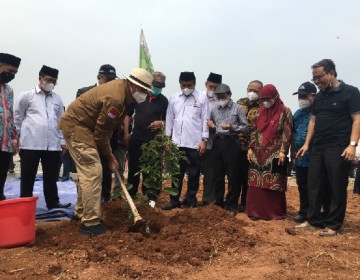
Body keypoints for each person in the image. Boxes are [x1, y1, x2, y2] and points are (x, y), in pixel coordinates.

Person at [58, 67, 153, 235]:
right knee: (93, 172)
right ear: (133, 85)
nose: (145, 94)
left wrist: (109, 155)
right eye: (144, 90)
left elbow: (107, 130)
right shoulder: (116, 99)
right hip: (77, 127)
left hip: (86, 127)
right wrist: (109, 157)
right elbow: (101, 133)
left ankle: (80, 212)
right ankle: (90, 223)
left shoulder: (124, 94)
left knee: (87, 172)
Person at [295, 59, 360, 236]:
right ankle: (314, 220)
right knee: (314, 183)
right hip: (318, 146)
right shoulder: (319, 96)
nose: (316, 82)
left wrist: (352, 145)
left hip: (338, 146)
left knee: (336, 185)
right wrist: (307, 144)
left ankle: (333, 224)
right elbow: (313, 121)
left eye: (319, 77)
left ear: (331, 73)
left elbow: (357, 119)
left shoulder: (351, 92)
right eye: (314, 79)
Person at [14, 65, 71, 210]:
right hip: (30, 144)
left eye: (54, 81)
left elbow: (60, 122)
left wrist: (63, 141)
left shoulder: (57, 98)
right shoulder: (27, 96)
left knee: (51, 176)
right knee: (28, 176)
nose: (51, 84)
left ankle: (52, 202)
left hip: (52, 145)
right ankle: (25, 202)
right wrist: (16, 139)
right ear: (40, 78)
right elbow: (17, 118)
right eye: (49, 80)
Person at [163, 71, 209, 210]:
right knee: (177, 174)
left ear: (194, 84)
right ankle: (174, 200)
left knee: (194, 174)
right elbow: (169, 119)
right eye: (183, 85)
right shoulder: (174, 98)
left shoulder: (202, 98)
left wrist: (204, 140)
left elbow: (205, 120)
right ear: (180, 84)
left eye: (189, 85)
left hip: (195, 143)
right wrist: (167, 140)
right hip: (177, 143)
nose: (186, 87)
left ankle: (191, 200)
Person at [247, 84, 293, 220]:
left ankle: (272, 212)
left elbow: (287, 132)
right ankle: (255, 211)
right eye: (263, 99)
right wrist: (250, 148)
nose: (265, 102)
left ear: (275, 97)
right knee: (256, 181)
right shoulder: (260, 111)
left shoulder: (285, 111)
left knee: (273, 181)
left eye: (268, 99)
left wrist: (284, 151)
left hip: (275, 152)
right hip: (258, 151)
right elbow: (254, 130)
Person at [76, 64, 118, 203]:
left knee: (105, 169)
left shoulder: (113, 96)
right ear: (99, 78)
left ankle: (105, 199)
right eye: (108, 80)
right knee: (88, 172)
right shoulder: (84, 92)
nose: (111, 83)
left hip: (105, 139)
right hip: (87, 139)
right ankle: (85, 203)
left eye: (113, 80)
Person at [126, 71, 168, 206]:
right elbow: (128, 115)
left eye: (160, 87)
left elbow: (170, 120)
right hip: (137, 140)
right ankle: (131, 196)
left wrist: (161, 123)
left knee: (153, 171)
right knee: (134, 169)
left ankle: (150, 198)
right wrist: (126, 133)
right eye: (155, 86)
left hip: (153, 143)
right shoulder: (138, 97)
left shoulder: (164, 101)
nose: (157, 89)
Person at [208, 84, 247, 214]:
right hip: (218, 142)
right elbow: (213, 124)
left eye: (222, 96)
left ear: (229, 95)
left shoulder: (238, 108)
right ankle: (218, 202)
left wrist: (232, 127)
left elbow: (245, 127)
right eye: (218, 96)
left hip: (232, 142)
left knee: (233, 175)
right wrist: (211, 125)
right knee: (217, 174)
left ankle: (231, 205)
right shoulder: (214, 109)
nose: (220, 98)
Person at [291, 82, 316, 223]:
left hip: (315, 156)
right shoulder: (298, 114)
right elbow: (293, 134)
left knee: (315, 186)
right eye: (299, 96)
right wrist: (292, 151)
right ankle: (303, 211)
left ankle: (315, 213)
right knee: (302, 186)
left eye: (304, 96)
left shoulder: (319, 112)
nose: (301, 99)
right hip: (300, 157)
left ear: (313, 96)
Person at [236, 80, 262, 212]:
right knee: (236, 175)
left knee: (248, 176)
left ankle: (246, 202)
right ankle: (233, 200)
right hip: (237, 145)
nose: (252, 93)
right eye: (249, 89)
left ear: (261, 92)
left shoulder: (263, 106)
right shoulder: (240, 103)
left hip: (253, 148)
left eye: (255, 91)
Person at [0, 53, 21, 200]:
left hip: (5, 143)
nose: (11, 75)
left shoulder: (9, 90)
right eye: (9, 71)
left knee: (1, 176)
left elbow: (10, 116)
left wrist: (14, 140)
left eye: (14, 73)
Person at [200, 72, 222, 207]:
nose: (212, 90)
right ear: (206, 84)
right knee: (193, 172)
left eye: (215, 88)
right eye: (210, 86)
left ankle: (207, 199)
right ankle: (189, 198)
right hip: (194, 141)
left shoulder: (220, 102)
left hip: (211, 143)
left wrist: (214, 126)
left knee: (209, 173)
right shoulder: (197, 97)